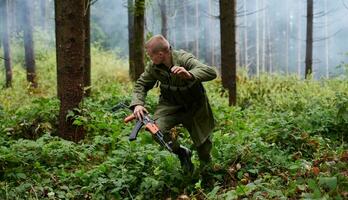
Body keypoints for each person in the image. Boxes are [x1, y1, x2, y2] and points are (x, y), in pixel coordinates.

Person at [129, 35, 217, 174]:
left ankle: (207, 175)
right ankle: (182, 153)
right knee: (157, 131)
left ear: (160, 54)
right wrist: (138, 104)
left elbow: (211, 72)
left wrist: (189, 74)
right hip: (170, 106)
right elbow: (141, 84)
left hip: (195, 107)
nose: (149, 58)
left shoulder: (183, 59)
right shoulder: (153, 67)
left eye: (150, 55)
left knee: (203, 146)